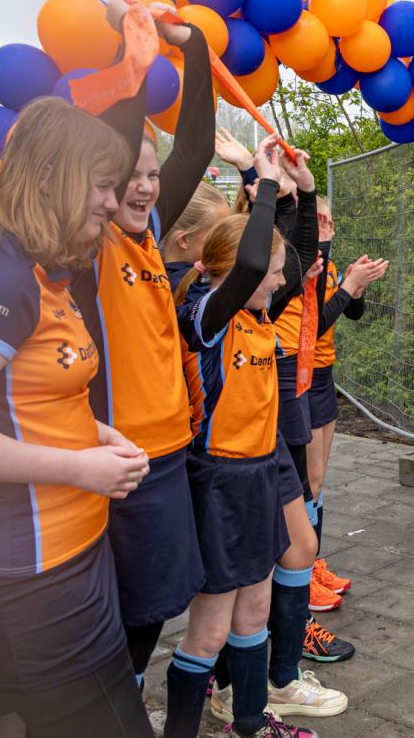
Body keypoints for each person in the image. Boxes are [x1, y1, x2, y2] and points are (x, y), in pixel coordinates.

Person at [0, 97, 154, 736]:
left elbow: (29, 397)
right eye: (102, 186)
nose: (112, 201)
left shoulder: (45, 272)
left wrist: (96, 436)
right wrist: (79, 467)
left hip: (61, 563)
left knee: (24, 715)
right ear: (52, 178)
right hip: (24, 581)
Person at [69, 0, 215, 688]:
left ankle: (115, 705)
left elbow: (198, 148)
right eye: (131, 173)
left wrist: (194, 53)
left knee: (156, 607)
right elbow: (116, 145)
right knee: (128, 616)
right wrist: (137, 52)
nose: (146, 184)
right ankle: (108, 711)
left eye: (152, 175)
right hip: (123, 456)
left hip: (169, 449)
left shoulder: (149, 231)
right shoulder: (91, 242)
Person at [166, 136, 323, 738]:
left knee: (253, 609)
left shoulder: (258, 312)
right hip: (220, 481)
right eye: (268, 268)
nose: (280, 277)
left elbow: (289, 259)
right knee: (210, 624)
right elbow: (259, 261)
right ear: (235, 272)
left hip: (261, 472)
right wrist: (258, 187)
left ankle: (252, 721)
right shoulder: (207, 312)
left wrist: (290, 193)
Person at [306, 198, 388, 615]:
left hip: (324, 376)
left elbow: (350, 313)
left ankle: (312, 563)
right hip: (298, 380)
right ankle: (298, 575)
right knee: (305, 483)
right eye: (318, 217)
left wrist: (358, 286)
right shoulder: (304, 266)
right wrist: (345, 287)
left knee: (318, 481)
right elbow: (315, 320)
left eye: (330, 219)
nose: (326, 225)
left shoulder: (332, 264)